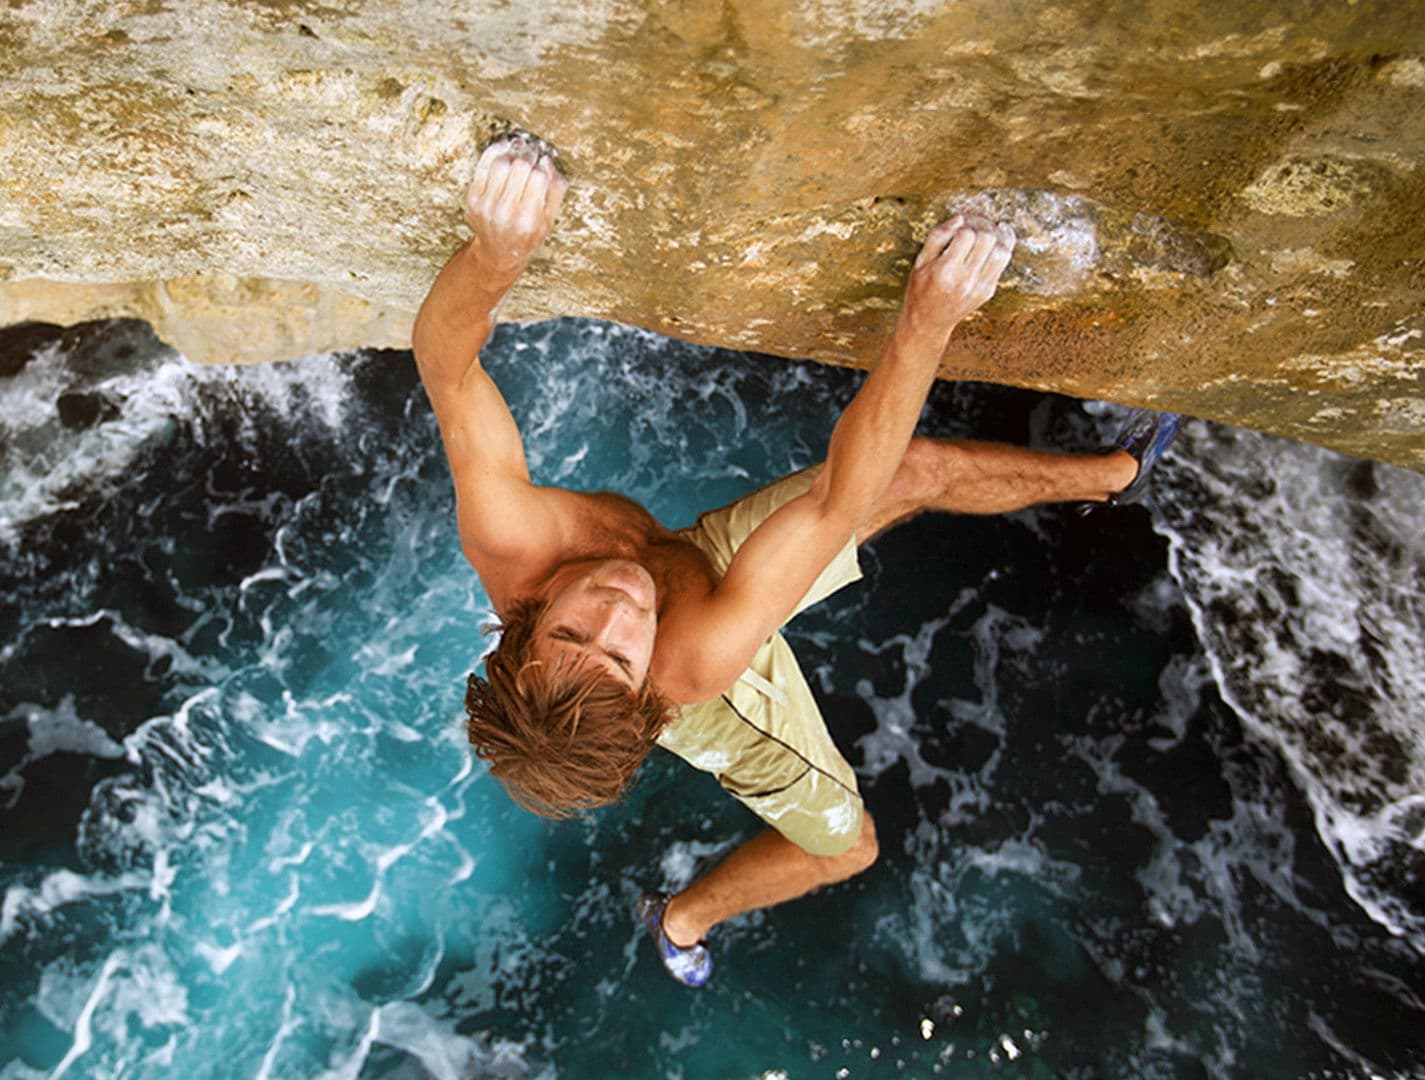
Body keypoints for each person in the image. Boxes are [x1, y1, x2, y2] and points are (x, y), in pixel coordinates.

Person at [411, 131, 1182, 987]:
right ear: (643, 683)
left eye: (571, 632)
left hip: (687, 569)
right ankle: (682, 920)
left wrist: (496, 253)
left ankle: (1117, 476)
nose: (615, 610)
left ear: (525, 626)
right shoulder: (691, 657)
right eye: (618, 656)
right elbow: (836, 503)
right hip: (713, 648)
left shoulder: (512, 538)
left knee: (909, 471)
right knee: (849, 847)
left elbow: (446, 366)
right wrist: (926, 318)